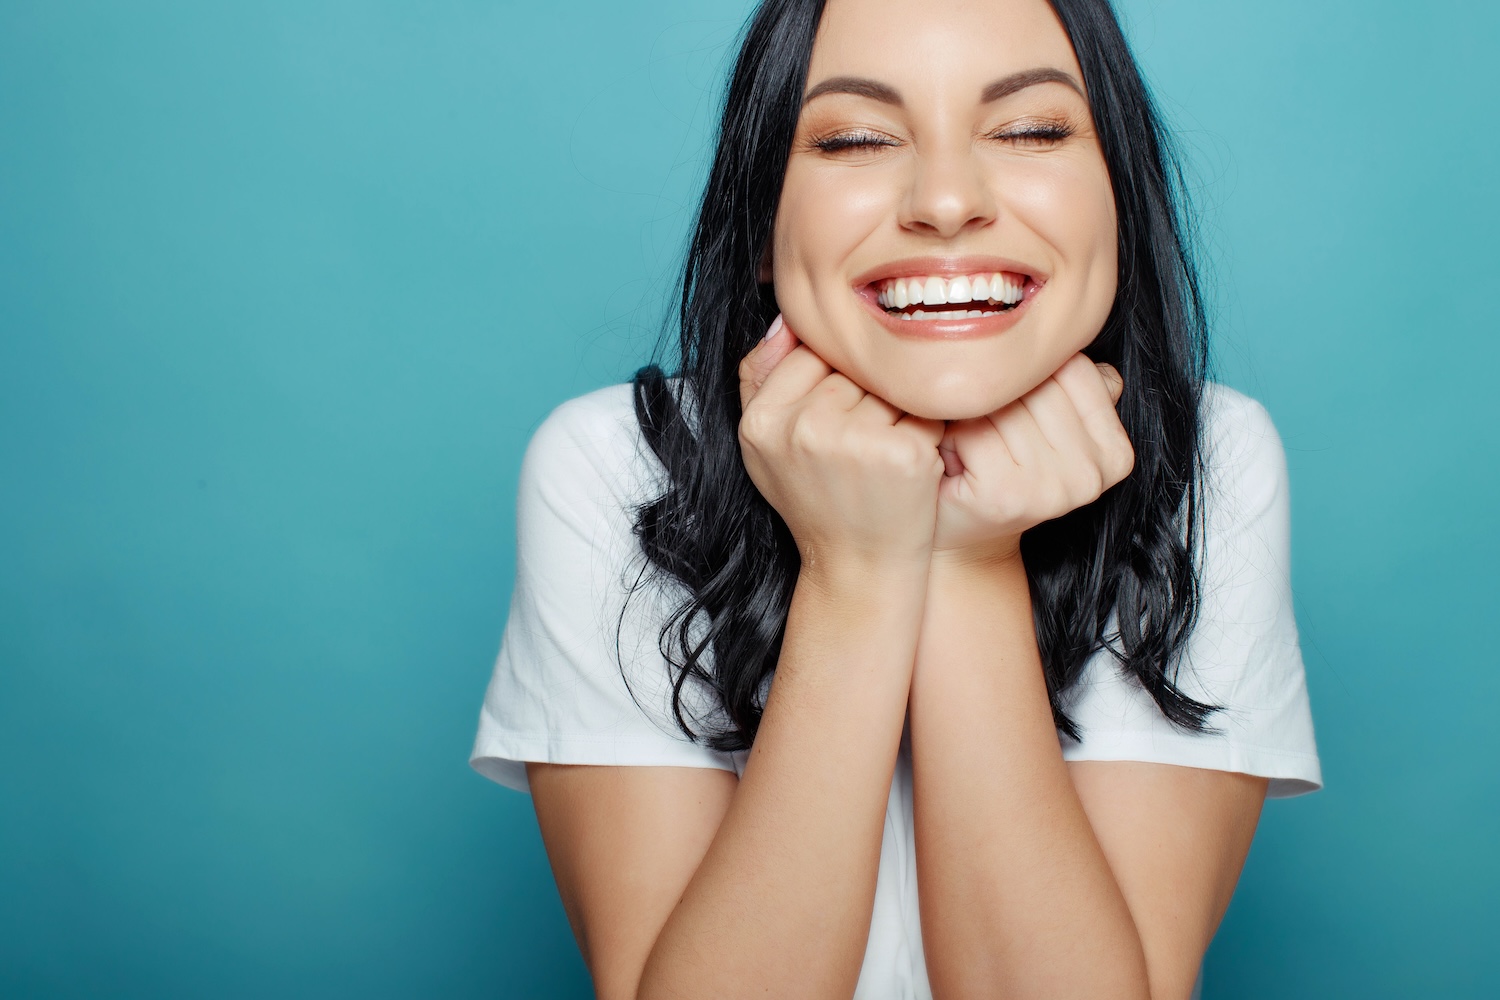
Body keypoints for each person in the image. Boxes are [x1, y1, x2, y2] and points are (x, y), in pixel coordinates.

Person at [470, 0, 1323, 996]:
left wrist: (970, 557)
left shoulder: (1209, 463)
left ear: (1119, 199)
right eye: (857, 138)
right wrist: (859, 573)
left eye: (1031, 129)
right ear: (760, 222)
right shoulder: (617, 467)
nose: (948, 200)